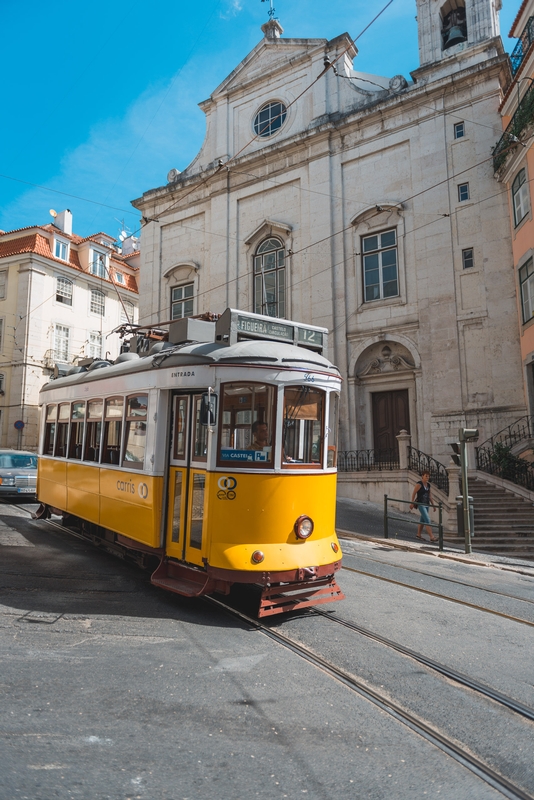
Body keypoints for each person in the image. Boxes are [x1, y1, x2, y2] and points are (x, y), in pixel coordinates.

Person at [410, 470, 437, 542]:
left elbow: (430, 496)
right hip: (421, 504)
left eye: (428, 476)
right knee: (427, 520)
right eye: (426, 476)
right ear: (422, 476)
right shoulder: (419, 484)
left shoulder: (428, 485)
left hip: (427, 504)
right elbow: (414, 493)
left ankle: (418, 534)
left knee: (422, 520)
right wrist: (412, 503)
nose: (427, 478)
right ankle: (432, 537)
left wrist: (434, 505)